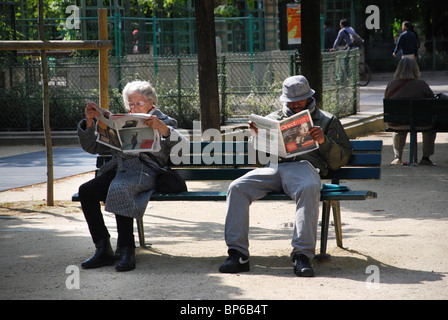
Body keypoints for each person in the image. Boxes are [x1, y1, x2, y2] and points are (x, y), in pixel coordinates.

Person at [219, 75, 352, 277]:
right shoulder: (271, 120)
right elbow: (256, 161)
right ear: (284, 100)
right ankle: (237, 254)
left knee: (308, 188)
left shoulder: (327, 120)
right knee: (237, 187)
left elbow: (340, 160)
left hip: (304, 168)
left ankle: (302, 255)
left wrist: (324, 141)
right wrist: (256, 139)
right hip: (273, 168)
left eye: (300, 100)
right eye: (291, 101)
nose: (296, 104)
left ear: (309, 97)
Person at [77, 80, 187, 271]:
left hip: (146, 171)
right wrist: (89, 123)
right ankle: (103, 248)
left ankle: (127, 249)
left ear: (151, 103)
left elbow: (183, 148)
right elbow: (92, 147)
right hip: (120, 168)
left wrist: (162, 129)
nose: (134, 107)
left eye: (139, 103)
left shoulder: (164, 121)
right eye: (131, 103)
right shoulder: (120, 121)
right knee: (86, 191)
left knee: (121, 188)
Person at [385, 58, 436, 165]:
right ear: (415, 69)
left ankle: (398, 157)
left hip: (397, 123)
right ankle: (425, 158)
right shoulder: (422, 84)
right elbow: (433, 103)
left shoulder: (391, 85)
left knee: (399, 126)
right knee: (430, 128)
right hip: (422, 123)